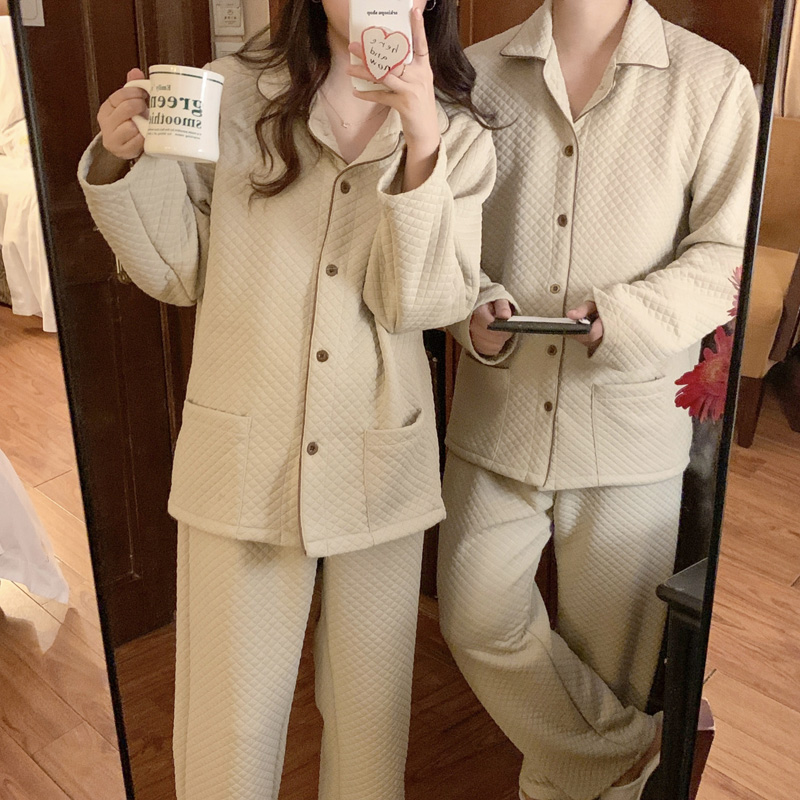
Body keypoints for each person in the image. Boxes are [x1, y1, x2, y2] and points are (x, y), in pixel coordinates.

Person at [78, 1, 495, 798]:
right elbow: (177, 271)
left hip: (380, 456)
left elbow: (419, 304)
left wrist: (421, 145)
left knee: (372, 726)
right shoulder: (225, 94)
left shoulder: (459, 134)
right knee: (228, 729)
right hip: (243, 454)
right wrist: (124, 161)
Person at [437, 1, 758, 799]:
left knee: (607, 671)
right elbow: (437, 238)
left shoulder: (711, 82)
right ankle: (637, 759)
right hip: (497, 415)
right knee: (473, 616)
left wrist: (630, 316)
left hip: (630, 424)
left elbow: (729, 256)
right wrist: (468, 308)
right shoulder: (471, 74)